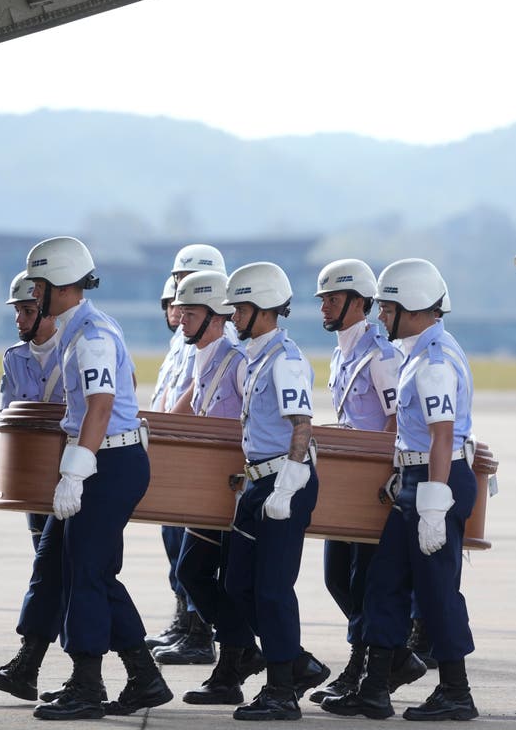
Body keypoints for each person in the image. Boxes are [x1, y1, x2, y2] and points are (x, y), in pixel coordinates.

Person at [322, 257, 479, 721]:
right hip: (414, 480)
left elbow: (442, 436)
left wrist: (432, 503)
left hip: (437, 482)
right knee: (382, 585)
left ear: (410, 307)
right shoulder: (418, 352)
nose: (381, 316)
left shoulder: (432, 362)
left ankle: (456, 691)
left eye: (387, 308)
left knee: (435, 593)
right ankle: (374, 688)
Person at [24, 235, 172, 721]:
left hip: (107, 464)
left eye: (38, 284)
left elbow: (104, 404)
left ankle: (87, 685)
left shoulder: (90, 334)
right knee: (78, 568)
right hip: (103, 459)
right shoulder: (81, 328)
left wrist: (75, 470)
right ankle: (144, 676)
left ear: (57, 286)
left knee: (86, 573)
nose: (33, 292)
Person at [307, 259, 430, 705]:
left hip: (375, 487)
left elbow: (396, 422)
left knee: (363, 581)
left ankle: (363, 666)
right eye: (322, 299)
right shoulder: (343, 352)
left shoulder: (382, 355)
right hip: (347, 484)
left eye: (333, 300)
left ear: (360, 303)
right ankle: (392, 658)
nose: (324, 307)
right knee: (337, 578)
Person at [220, 261, 329, 721]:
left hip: (286, 481)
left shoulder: (284, 358)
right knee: (238, 584)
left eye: (238, 309)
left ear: (259, 309)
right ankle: (298, 662)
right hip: (261, 480)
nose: (231, 318)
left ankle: (282, 690)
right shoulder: (259, 356)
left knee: (271, 589)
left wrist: (288, 480)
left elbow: (301, 424)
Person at [157, 272, 255, 684]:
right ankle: (241, 656)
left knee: (214, 577)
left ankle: (242, 660)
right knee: (193, 573)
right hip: (207, 490)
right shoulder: (207, 356)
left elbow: (258, 426)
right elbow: (181, 415)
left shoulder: (236, 360)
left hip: (232, 491)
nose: (179, 318)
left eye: (190, 313)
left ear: (217, 317)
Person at [0, 269, 68, 702]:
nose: (20, 318)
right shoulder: (15, 357)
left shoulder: (75, 352)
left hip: (73, 478)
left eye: (28, 310)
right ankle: (68, 672)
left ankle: (34, 665)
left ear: (49, 311)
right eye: (17, 310)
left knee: (60, 575)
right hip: (36, 482)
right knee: (53, 572)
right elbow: (8, 415)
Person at [147, 244, 227, 664]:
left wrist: (167, 429)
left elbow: (196, 393)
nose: (179, 291)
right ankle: (184, 621)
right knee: (173, 539)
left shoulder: (219, 333)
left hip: (190, 449)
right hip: (173, 446)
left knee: (192, 549)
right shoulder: (183, 337)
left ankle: (199, 633)